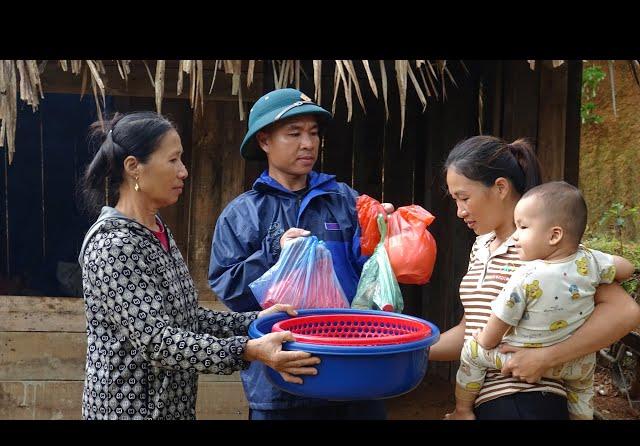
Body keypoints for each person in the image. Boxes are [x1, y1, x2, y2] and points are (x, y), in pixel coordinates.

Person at [78, 111, 320, 420]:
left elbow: (187, 319)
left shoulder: (156, 231)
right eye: (173, 160)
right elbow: (158, 342)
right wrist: (247, 350)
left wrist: (255, 320)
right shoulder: (114, 244)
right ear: (133, 168)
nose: (183, 172)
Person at [208, 88, 390, 420]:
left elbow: (371, 275)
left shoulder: (345, 200)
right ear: (264, 141)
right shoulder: (243, 214)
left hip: (353, 369)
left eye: (313, 133)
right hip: (283, 379)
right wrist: (275, 254)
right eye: (294, 133)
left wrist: (386, 234)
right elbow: (231, 291)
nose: (308, 143)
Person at [429, 135, 640, 420]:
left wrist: (547, 357)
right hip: (485, 400)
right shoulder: (481, 247)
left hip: (528, 398)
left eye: (464, 198)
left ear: (500, 187)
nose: (459, 211)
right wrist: (409, 350)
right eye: (455, 200)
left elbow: (625, 312)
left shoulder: (546, 247)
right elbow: (471, 331)